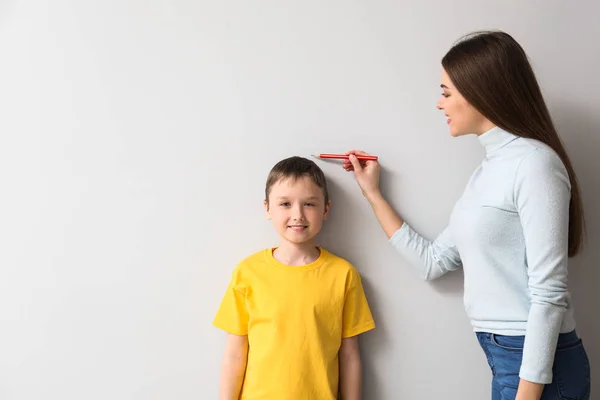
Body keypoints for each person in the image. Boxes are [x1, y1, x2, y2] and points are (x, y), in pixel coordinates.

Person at [343, 31, 591, 400]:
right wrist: (373, 194)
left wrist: (527, 392)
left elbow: (549, 292)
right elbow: (433, 261)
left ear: (481, 93)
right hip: (506, 359)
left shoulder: (535, 164)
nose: (439, 104)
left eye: (446, 92)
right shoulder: (486, 172)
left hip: (538, 369)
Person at [213, 156, 376, 400]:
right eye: (286, 204)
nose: (298, 214)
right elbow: (235, 353)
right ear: (267, 208)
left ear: (326, 209)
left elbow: (350, 354)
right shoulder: (247, 273)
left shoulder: (343, 275)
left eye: (309, 204)